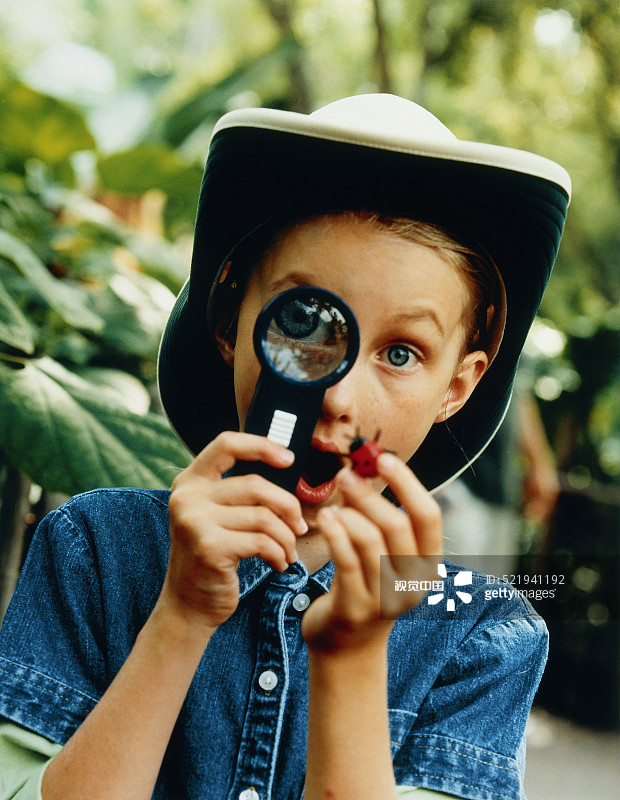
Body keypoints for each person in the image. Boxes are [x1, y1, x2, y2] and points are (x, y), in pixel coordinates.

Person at [0, 94, 570, 800]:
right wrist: (178, 616)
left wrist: (354, 663)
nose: (339, 396)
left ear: (458, 386)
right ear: (232, 320)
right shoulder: (91, 552)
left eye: (400, 352)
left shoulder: (484, 638)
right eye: (303, 323)